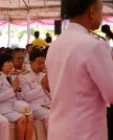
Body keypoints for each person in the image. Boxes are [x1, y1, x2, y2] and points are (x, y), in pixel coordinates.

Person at [46, 0, 112, 140]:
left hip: (58, 131)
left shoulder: (56, 44)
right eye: (101, 10)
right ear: (92, 11)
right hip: (85, 132)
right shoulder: (93, 46)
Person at [0, 53, 34, 140]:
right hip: (3, 107)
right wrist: (13, 89)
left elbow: (20, 98)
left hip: (16, 106)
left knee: (31, 117)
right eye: (8, 62)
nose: (11, 64)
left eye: (11, 62)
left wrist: (19, 89)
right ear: (1, 64)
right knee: (22, 118)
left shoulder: (14, 76)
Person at [20, 49, 50, 134]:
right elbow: (27, 97)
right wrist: (42, 86)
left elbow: (50, 94)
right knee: (50, 116)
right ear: (31, 62)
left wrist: (49, 88)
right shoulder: (24, 76)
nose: (41, 66)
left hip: (47, 104)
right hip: (34, 106)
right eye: (39, 63)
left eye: (43, 63)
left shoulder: (43, 74)